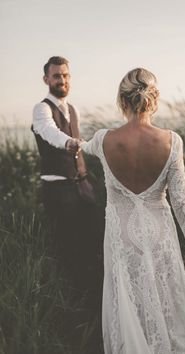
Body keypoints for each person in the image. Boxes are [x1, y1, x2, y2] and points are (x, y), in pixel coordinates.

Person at [79, 68, 185, 353]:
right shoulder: (172, 141)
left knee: (130, 305)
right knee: (169, 308)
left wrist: (71, 143)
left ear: (122, 100)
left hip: (122, 240)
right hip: (160, 237)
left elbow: (82, 146)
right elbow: (181, 200)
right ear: (154, 100)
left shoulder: (104, 140)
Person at [32, 56, 102, 300]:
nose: (62, 80)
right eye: (56, 76)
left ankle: (96, 294)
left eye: (65, 75)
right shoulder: (41, 109)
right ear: (46, 79)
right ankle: (73, 301)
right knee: (68, 246)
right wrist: (69, 142)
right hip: (58, 189)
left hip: (83, 185)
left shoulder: (74, 109)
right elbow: (49, 132)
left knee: (92, 239)